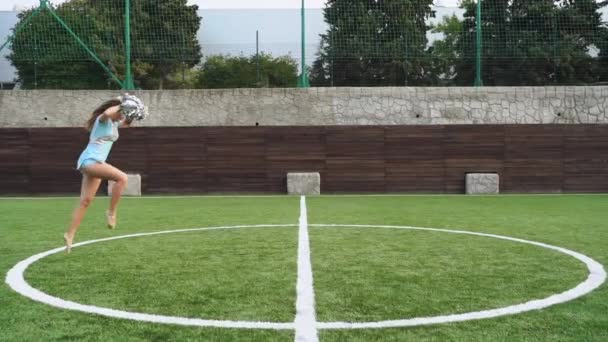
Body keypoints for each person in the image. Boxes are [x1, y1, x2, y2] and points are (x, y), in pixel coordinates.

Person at [63, 96, 140, 253]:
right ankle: (111, 212)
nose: (122, 115)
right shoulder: (103, 120)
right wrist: (122, 104)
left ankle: (69, 235)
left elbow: (126, 124)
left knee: (85, 201)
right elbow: (106, 112)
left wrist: (134, 114)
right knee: (122, 178)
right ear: (117, 109)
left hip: (93, 163)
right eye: (122, 112)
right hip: (91, 161)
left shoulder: (114, 124)